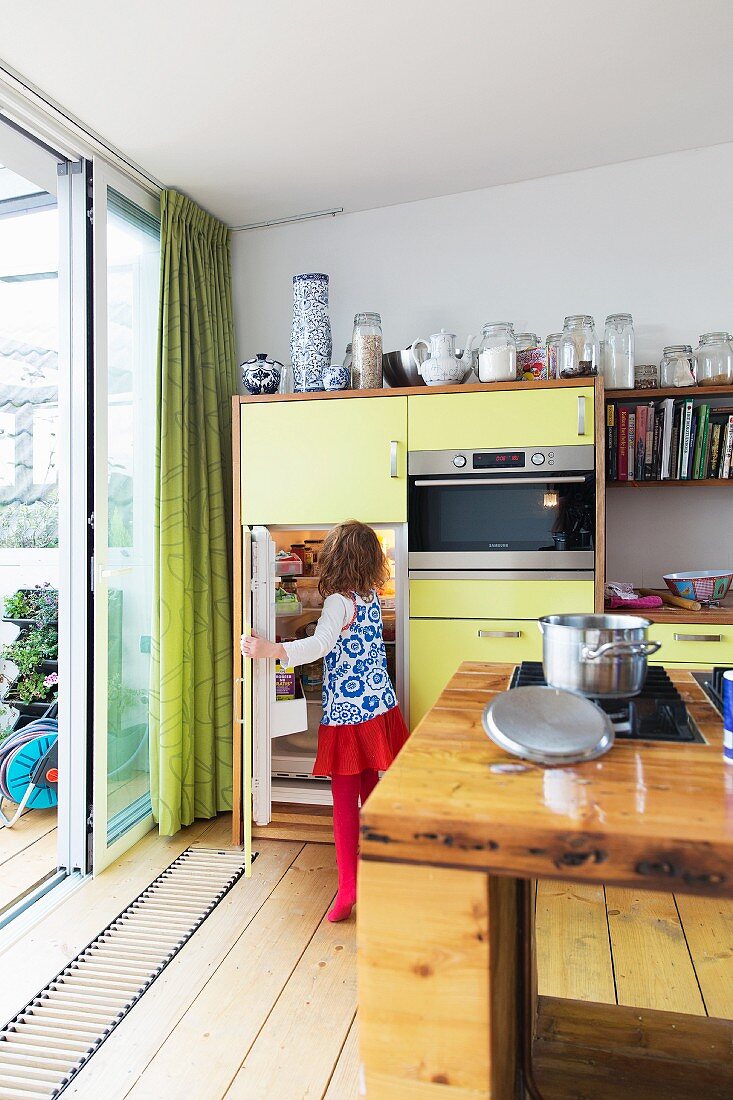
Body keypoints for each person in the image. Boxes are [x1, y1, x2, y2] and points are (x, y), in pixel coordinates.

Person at [242, 520, 409, 922]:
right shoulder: (370, 596)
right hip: (380, 706)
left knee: (343, 803)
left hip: (349, 714)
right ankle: (383, 868)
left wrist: (270, 649)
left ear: (334, 559)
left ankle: (349, 888)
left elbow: (320, 644)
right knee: (373, 791)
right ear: (371, 561)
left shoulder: (338, 601)